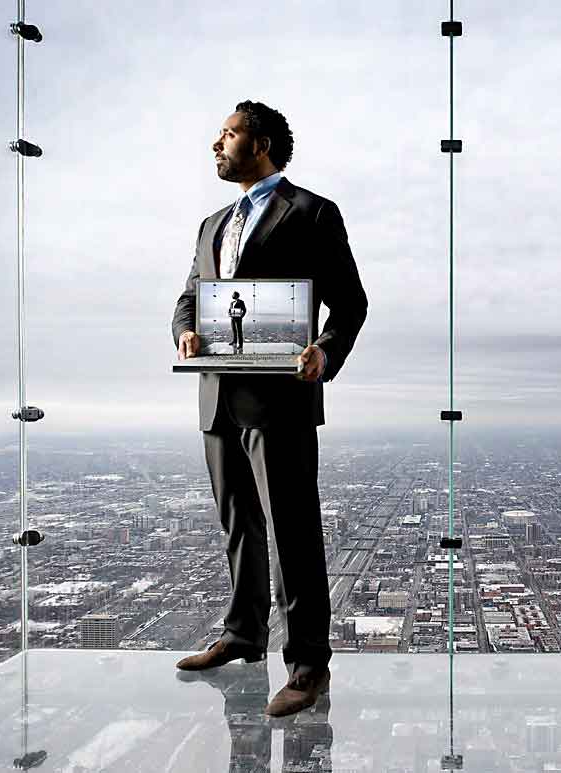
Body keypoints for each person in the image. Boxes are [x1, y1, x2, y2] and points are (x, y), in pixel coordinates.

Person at [171, 100, 368, 718]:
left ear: (260, 143)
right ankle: (244, 634)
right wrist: (184, 332)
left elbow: (352, 303)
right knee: (238, 524)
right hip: (218, 394)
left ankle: (309, 663)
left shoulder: (311, 212)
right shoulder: (211, 224)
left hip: (281, 398)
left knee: (292, 531)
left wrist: (324, 352)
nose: (216, 144)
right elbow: (186, 299)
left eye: (227, 134)